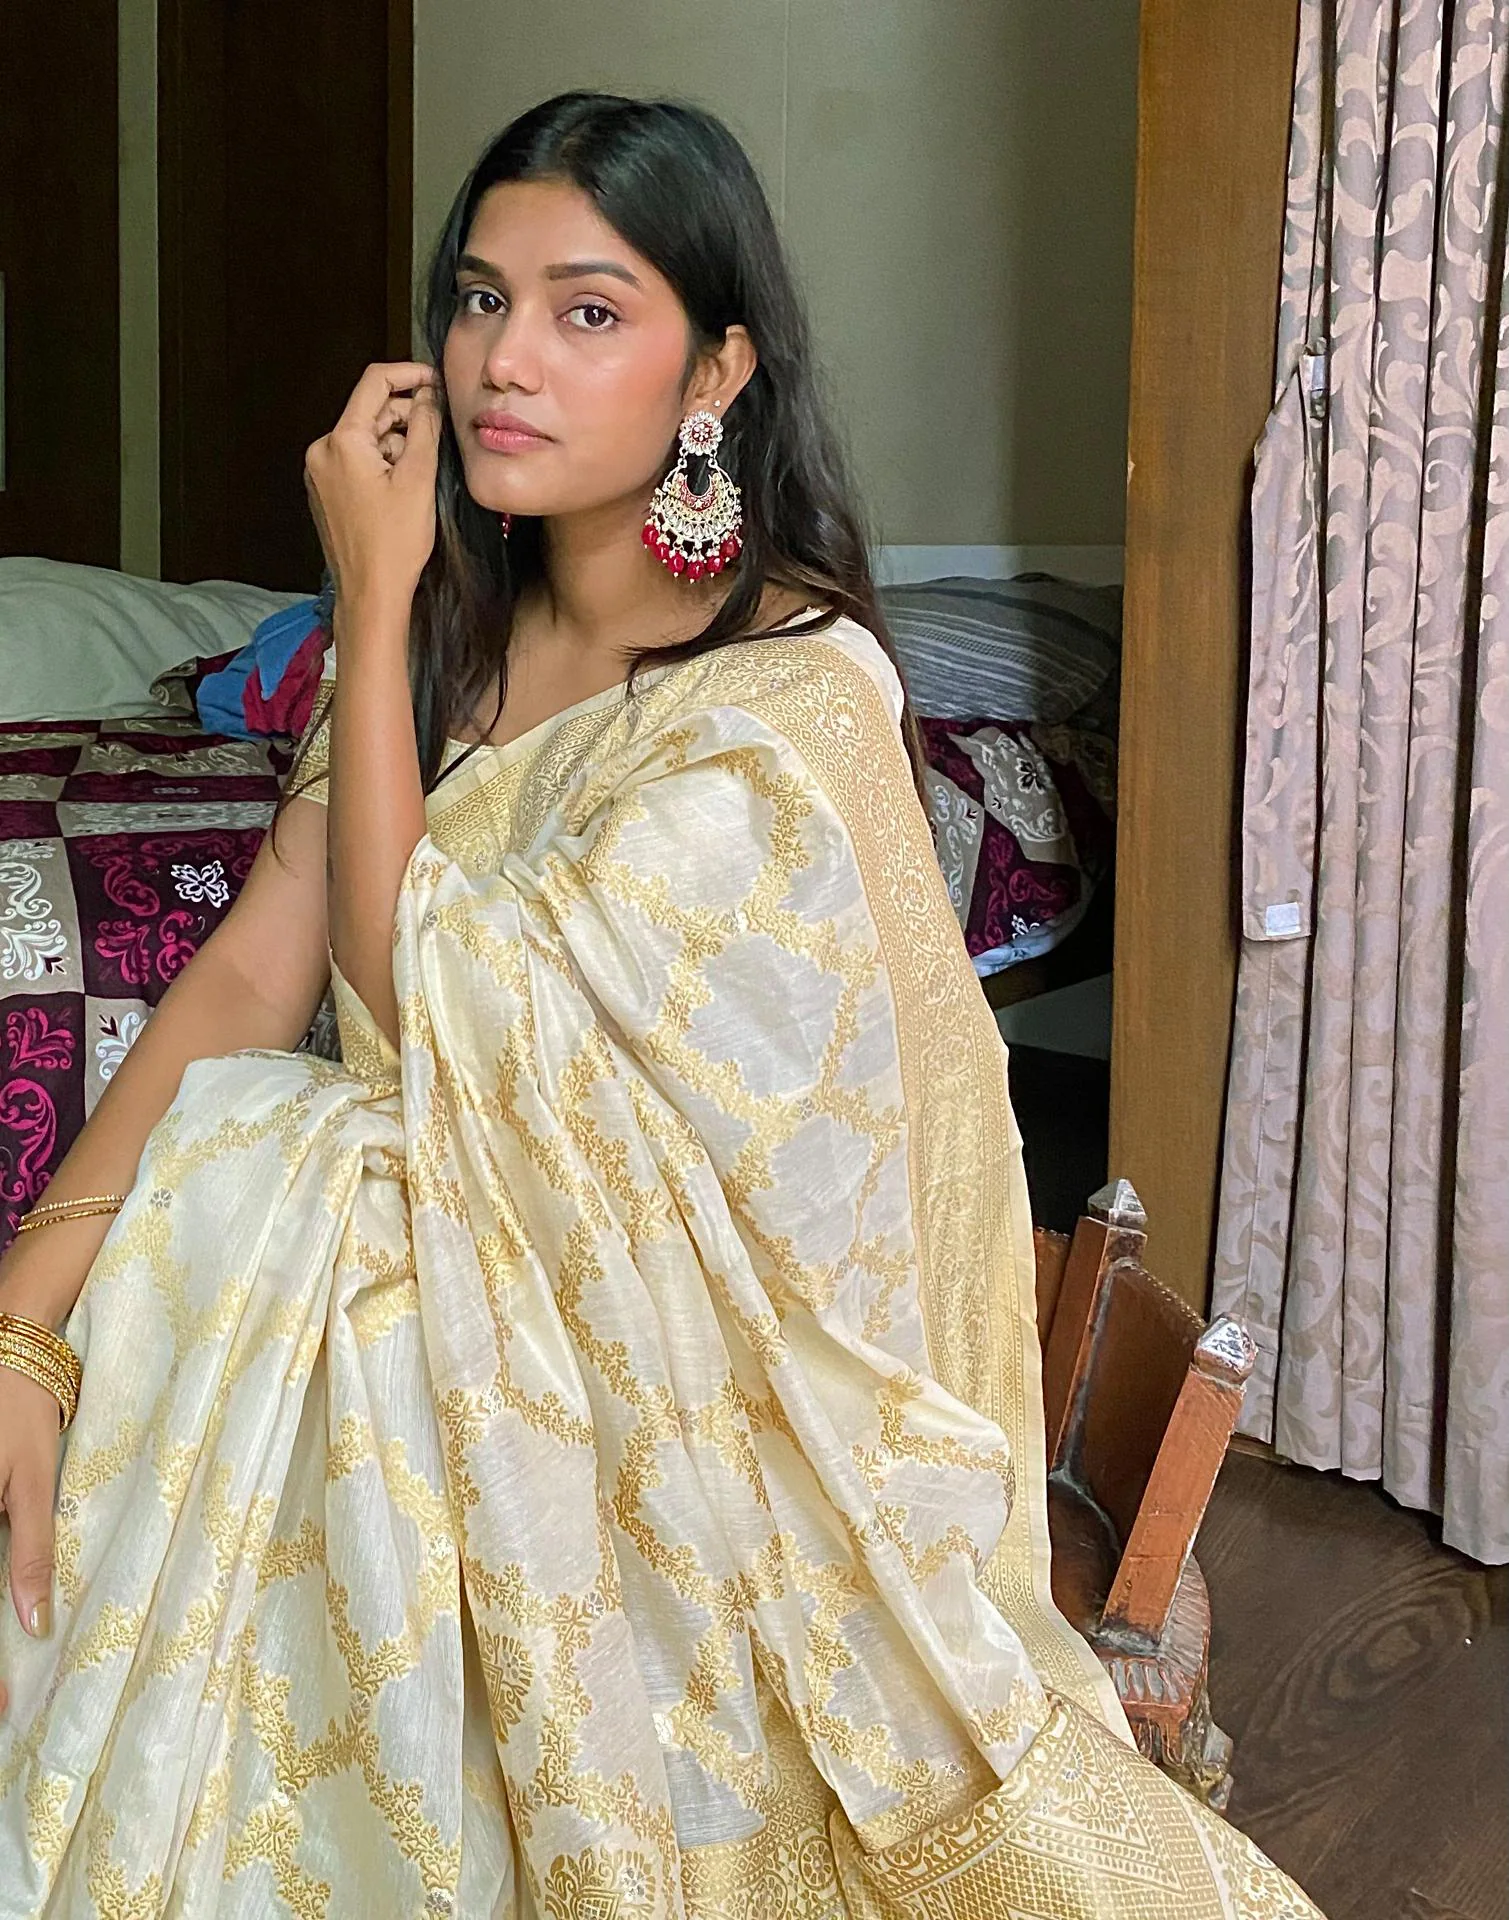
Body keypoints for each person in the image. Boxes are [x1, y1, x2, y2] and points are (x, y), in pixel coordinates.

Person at [0, 92, 1323, 1918]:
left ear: (717, 373)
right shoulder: (462, 634)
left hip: (649, 1408)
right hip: (400, 1311)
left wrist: (367, 594)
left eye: (588, 310)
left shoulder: (790, 702)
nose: (503, 360)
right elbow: (252, 962)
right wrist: (26, 1323)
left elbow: (430, 997)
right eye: (480, 298)